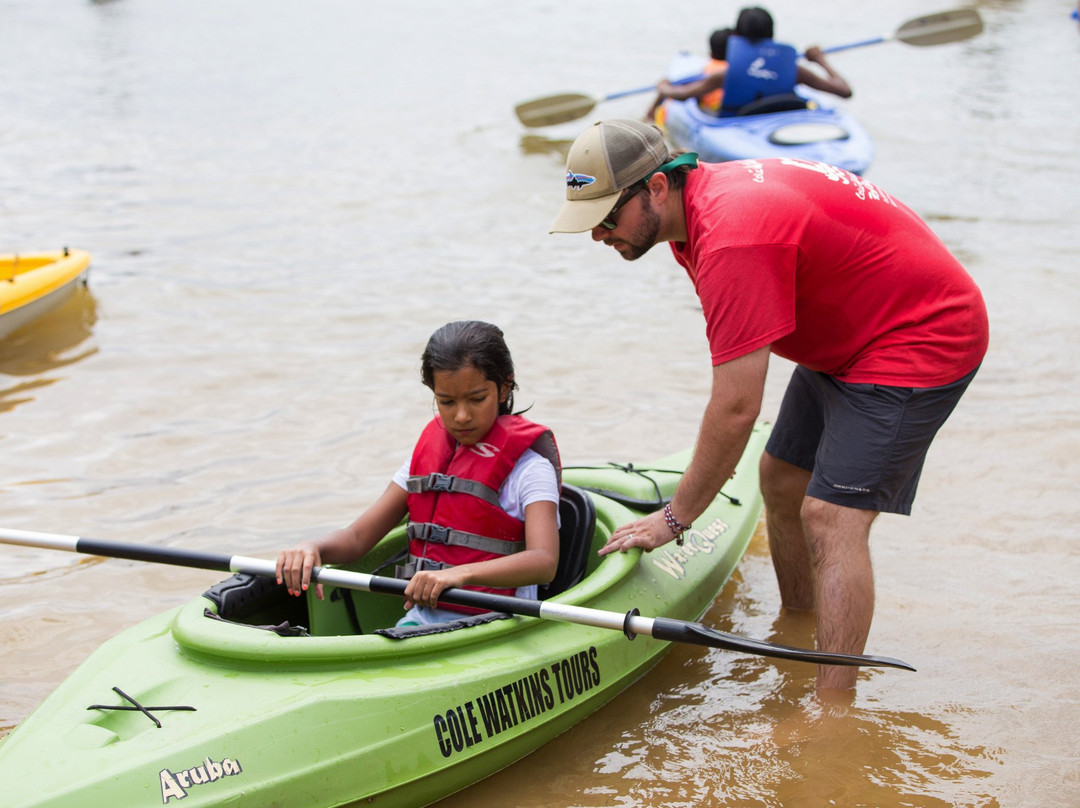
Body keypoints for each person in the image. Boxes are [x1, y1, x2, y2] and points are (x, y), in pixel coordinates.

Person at [548, 119, 989, 696]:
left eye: (606, 217)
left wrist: (674, 519)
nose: (598, 235)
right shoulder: (700, 205)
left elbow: (736, 409)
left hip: (921, 335)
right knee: (779, 479)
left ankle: (832, 714)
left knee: (831, 519)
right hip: (853, 328)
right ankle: (800, 630)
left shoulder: (732, 236)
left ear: (657, 187)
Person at [276, 320, 561, 627]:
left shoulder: (531, 470)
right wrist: (312, 547)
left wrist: (458, 574)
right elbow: (357, 537)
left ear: (505, 387)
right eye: (446, 402)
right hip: (422, 619)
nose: (461, 416)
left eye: (477, 399)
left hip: (502, 624)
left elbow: (544, 561)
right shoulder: (423, 459)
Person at [655, 6, 851, 116]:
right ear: (772, 34)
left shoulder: (726, 74)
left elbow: (683, 94)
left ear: (737, 35)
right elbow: (844, 91)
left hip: (739, 119)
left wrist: (664, 88)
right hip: (780, 119)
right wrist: (820, 60)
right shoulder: (793, 70)